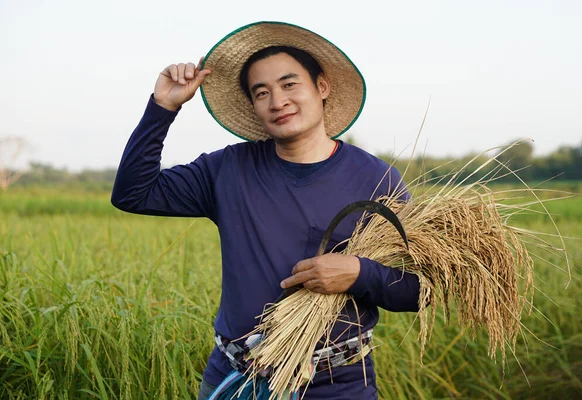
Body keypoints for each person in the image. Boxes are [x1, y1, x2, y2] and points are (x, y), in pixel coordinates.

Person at [112, 21, 421, 400]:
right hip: (235, 377)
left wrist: (360, 273)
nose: (278, 101)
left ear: (321, 87)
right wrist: (163, 107)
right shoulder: (227, 170)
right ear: (254, 106)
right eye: (262, 93)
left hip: (334, 384)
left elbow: (417, 289)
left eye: (290, 85)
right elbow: (133, 194)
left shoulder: (376, 180)